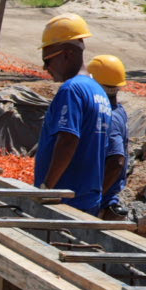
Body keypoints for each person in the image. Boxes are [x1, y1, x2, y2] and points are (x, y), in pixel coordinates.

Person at [32, 14, 113, 216]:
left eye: (47, 60)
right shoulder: (98, 91)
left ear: (66, 54)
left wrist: (48, 189)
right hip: (88, 198)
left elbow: (68, 139)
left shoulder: (72, 90)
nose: (45, 68)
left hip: (65, 201)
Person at [89, 54, 131, 219]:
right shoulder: (119, 110)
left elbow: (117, 161)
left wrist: (95, 197)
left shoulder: (110, 118)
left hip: (102, 203)